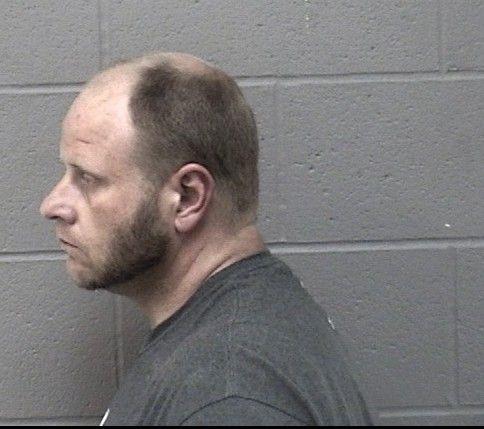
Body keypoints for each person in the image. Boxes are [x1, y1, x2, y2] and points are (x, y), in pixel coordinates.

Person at [40, 52, 372, 426]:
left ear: (187, 197)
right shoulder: (237, 340)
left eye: (87, 178)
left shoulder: (229, 393)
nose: (52, 205)